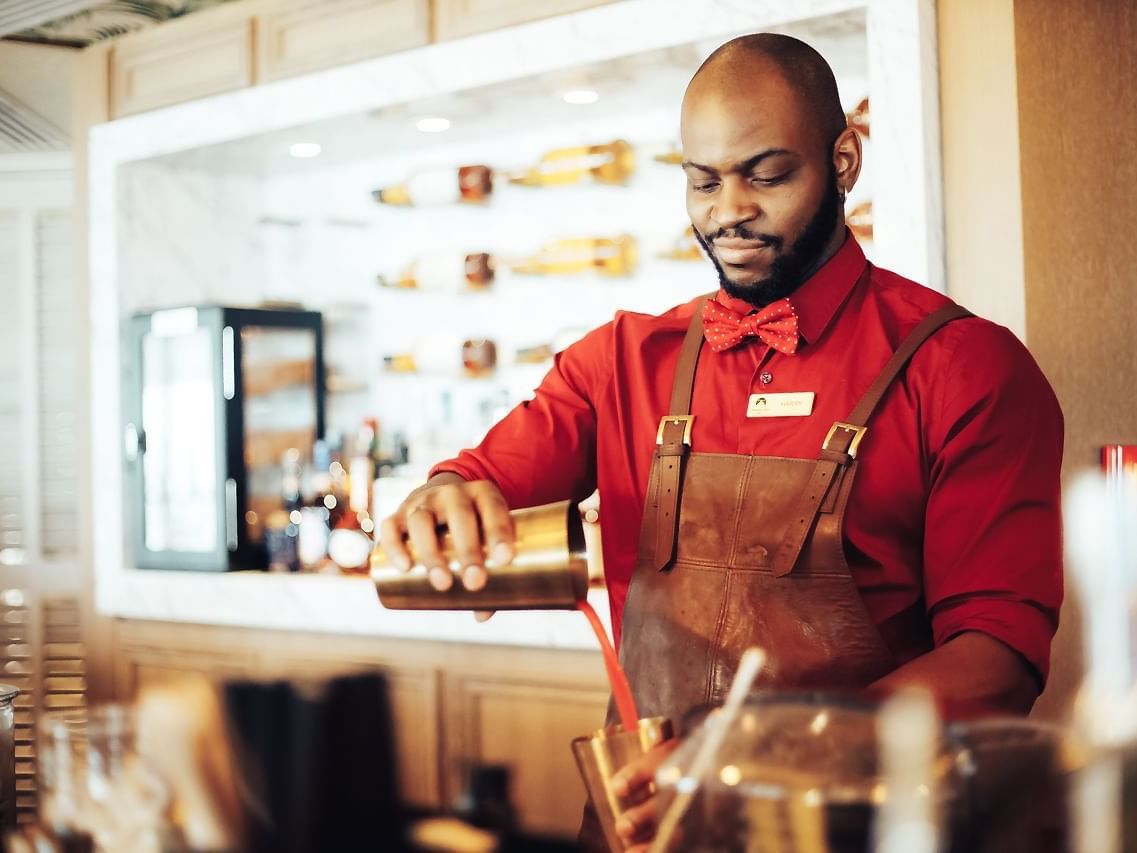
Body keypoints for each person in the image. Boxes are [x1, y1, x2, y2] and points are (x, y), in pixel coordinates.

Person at [380, 33, 1063, 849]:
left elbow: (996, 656)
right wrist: (443, 496)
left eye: (766, 175)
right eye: (702, 181)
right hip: (644, 825)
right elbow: (481, 480)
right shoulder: (619, 361)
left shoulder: (963, 366)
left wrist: (769, 749)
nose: (727, 210)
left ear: (843, 159)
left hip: (856, 826)